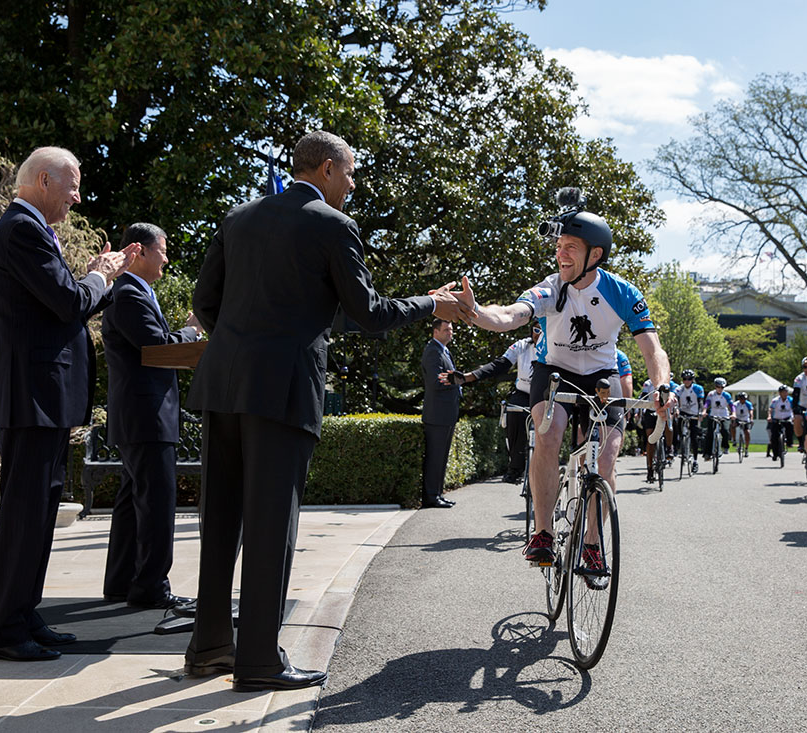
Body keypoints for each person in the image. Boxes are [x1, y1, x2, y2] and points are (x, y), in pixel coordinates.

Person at [183, 131, 471, 691]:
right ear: (329, 169)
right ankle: (260, 660)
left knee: (219, 521)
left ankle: (210, 646)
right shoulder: (333, 226)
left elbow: (204, 303)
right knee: (272, 526)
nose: (355, 185)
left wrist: (242, 349)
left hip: (222, 385)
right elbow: (367, 312)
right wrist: (432, 304)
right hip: (283, 391)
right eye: (353, 173)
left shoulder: (238, 217)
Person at [0, 147, 140, 662]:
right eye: (71, 186)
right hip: (32, 400)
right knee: (25, 518)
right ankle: (4, 631)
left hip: (43, 400)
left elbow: (63, 298)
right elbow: (70, 301)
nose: (77, 197)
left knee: (40, 516)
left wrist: (95, 276)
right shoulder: (21, 229)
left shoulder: (29, 229)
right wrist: (103, 275)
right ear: (43, 180)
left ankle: (23, 615)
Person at [450, 204, 674, 567]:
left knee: (606, 458)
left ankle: (592, 542)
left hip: (603, 377)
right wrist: (476, 313)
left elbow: (652, 349)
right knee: (549, 433)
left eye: (570, 246)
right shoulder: (551, 289)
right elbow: (510, 315)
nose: (560, 253)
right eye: (558, 246)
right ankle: (543, 533)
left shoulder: (622, 292)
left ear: (594, 254)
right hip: (554, 370)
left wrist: (662, 387)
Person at [101, 222, 203, 609]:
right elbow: (158, 349)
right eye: (161, 250)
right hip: (146, 417)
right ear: (138, 251)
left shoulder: (133, 292)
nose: (166, 258)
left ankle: (123, 582)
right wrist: (191, 333)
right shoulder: (128, 293)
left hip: (141, 415)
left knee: (133, 501)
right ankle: (151, 588)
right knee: (157, 502)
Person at [442, 322, 541, 484]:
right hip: (523, 394)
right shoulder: (522, 345)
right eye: (536, 330)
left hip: (544, 394)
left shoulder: (555, 347)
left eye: (543, 330)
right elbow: (499, 365)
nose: (539, 334)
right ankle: (515, 468)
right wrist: (467, 377)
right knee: (513, 416)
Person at [421, 319, 460, 508]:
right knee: (435, 458)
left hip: (446, 414)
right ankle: (431, 497)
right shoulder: (432, 351)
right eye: (446, 330)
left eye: (451, 329)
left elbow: (447, 376)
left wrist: (454, 378)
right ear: (435, 332)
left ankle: (437, 493)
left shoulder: (444, 351)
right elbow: (435, 381)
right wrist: (457, 379)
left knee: (442, 457)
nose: (450, 333)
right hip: (437, 415)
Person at [675, 369, 704, 471]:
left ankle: (695, 460)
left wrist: (700, 412)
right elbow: (676, 400)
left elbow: (700, 401)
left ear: (693, 380)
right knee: (678, 429)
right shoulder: (679, 389)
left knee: (694, 436)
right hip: (683, 412)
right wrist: (676, 410)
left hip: (693, 413)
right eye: (685, 379)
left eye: (689, 379)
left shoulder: (698, 388)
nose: (687, 381)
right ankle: (680, 446)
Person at [703, 377, 733, 459]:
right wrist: (704, 411)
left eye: (722, 387)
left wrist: (733, 413)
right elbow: (707, 403)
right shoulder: (711, 394)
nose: (719, 389)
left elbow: (731, 405)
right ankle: (708, 453)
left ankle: (725, 446)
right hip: (713, 414)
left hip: (724, 415)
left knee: (725, 431)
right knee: (709, 434)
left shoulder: (726, 395)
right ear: (715, 386)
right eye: (718, 387)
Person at [767, 385, 794, 460]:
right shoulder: (775, 400)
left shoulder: (791, 400)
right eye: (783, 392)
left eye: (786, 392)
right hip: (777, 419)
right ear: (779, 393)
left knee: (790, 426)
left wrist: (794, 417)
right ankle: (775, 454)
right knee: (774, 437)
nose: (784, 394)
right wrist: (769, 416)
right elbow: (771, 409)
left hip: (787, 418)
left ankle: (789, 442)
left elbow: (794, 409)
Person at [732, 391, 754, 455]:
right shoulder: (736, 404)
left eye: (744, 399)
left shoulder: (748, 404)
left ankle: (746, 448)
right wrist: (733, 417)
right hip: (737, 418)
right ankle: (734, 440)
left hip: (745, 419)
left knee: (747, 433)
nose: (743, 400)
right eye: (741, 399)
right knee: (732, 426)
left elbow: (751, 412)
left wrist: (751, 419)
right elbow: (733, 411)